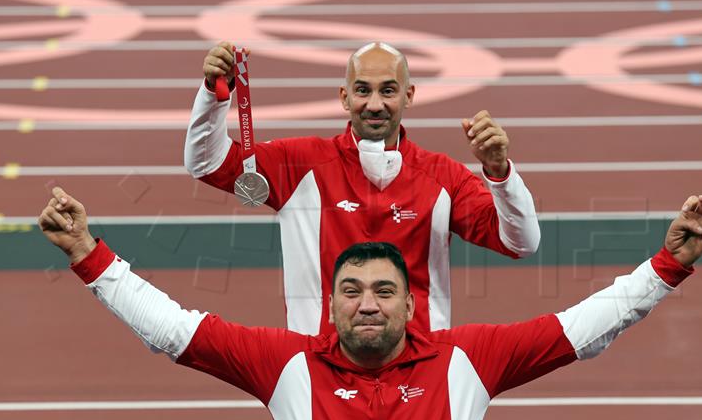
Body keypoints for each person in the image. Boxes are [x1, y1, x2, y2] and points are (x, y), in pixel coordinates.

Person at [40, 187, 702, 420]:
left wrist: (667, 264)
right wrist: (88, 253)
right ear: (331, 306)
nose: (368, 304)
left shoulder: (469, 360)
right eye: (352, 291)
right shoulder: (288, 365)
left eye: (384, 291)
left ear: (409, 304)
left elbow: (583, 328)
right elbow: (174, 331)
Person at [184, 41, 541, 335]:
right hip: (319, 370)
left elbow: (521, 242)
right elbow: (207, 163)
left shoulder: (444, 177)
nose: (374, 105)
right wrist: (215, 96)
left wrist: (499, 172)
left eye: (388, 91)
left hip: (420, 374)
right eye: (362, 91)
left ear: (408, 96)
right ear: (344, 97)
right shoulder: (300, 164)